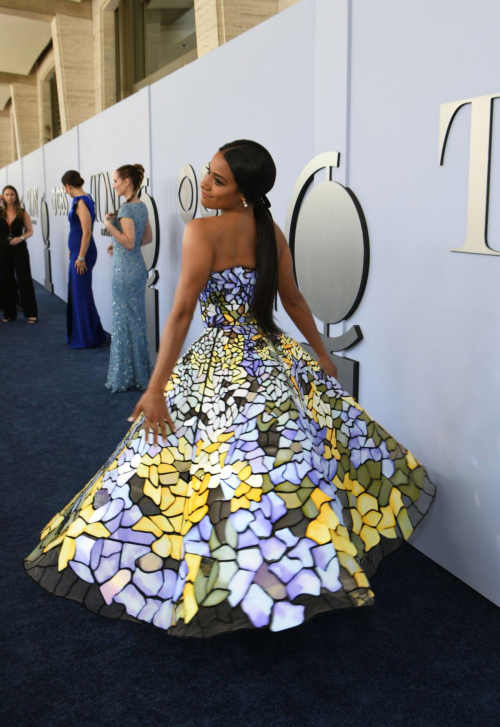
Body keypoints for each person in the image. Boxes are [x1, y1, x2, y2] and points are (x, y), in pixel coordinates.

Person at [24, 140, 435, 636]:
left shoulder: (204, 231)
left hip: (221, 359)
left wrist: (156, 387)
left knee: (207, 467)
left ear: (245, 191)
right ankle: (283, 567)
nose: (205, 184)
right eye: (207, 173)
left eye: (218, 180)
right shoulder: (269, 231)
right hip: (269, 357)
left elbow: (180, 314)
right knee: (277, 466)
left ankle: (232, 572)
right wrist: (320, 354)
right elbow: (294, 300)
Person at [103, 163, 153, 392]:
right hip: (136, 269)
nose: (113, 185)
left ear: (126, 182)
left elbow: (131, 241)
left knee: (124, 322)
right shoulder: (141, 206)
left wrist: (108, 227)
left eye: (115, 181)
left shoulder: (126, 210)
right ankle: (141, 375)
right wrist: (118, 245)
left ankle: (126, 377)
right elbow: (147, 238)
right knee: (136, 321)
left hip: (125, 273)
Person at [62, 171, 107, 349]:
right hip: (77, 252)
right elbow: (78, 231)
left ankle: (88, 337)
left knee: (80, 294)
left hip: (84, 254)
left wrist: (80, 256)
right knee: (78, 293)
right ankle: (89, 334)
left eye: (64, 187)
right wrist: (73, 251)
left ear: (67, 186)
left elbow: (87, 232)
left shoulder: (81, 202)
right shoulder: (83, 198)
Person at [0, 185, 38, 323]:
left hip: (19, 249)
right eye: (7, 194)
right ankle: (9, 314)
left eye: (12, 194)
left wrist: (20, 238)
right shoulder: (0, 212)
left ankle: (31, 313)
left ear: (16, 197)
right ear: (3, 196)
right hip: (3, 249)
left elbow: (29, 231)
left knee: (24, 279)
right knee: (6, 280)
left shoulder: (22, 213)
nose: (10, 197)